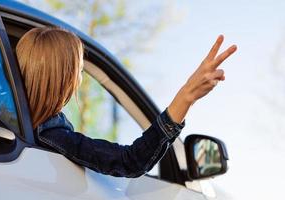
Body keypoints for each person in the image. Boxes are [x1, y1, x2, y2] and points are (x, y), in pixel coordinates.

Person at [16, 27, 237, 178]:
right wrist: (187, 96)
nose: (79, 80)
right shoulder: (53, 138)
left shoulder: (14, 126)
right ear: (64, 79)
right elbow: (131, 160)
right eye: (78, 71)